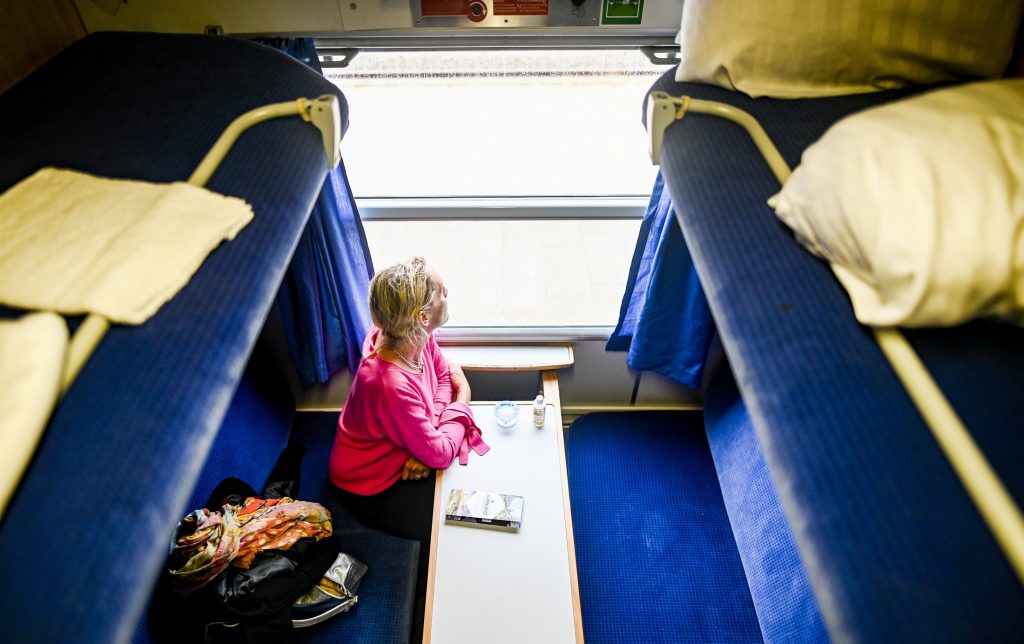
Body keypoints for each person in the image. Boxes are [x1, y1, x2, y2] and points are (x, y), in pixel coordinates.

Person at [328, 256, 487, 642]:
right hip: (371, 488)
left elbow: (440, 376)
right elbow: (441, 449)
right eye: (442, 292)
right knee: (460, 524)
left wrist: (429, 430)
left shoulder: (411, 337)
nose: (448, 293)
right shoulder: (389, 382)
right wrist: (463, 398)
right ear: (422, 316)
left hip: (403, 454)